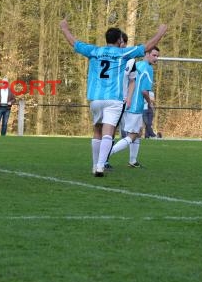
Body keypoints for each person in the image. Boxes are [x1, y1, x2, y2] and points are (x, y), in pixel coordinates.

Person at [59, 18, 168, 177]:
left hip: (95, 98)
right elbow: (147, 47)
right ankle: (101, 167)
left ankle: (95, 164)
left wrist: (64, 29)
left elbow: (75, 43)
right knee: (108, 132)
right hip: (114, 99)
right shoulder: (123, 53)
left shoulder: (94, 51)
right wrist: (160, 33)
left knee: (97, 131)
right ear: (119, 40)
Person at [108, 47, 160, 167]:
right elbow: (144, 91)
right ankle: (106, 154)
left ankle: (133, 161)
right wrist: (150, 103)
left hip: (125, 103)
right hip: (135, 105)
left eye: (157, 56)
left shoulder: (137, 64)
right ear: (146, 54)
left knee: (137, 132)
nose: (156, 58)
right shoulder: (148, 69)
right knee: (133, 135)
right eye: (154, 55)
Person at [104, 32, 136, 169]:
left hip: (121, 102)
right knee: (105, 130)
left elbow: (132, 81)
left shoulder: (130, 60)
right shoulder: (107, 57)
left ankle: (104, 160)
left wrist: (129, 98)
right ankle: (102, 160)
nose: (121, 45)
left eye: (123, 43)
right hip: (106, 98)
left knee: (113, 131)